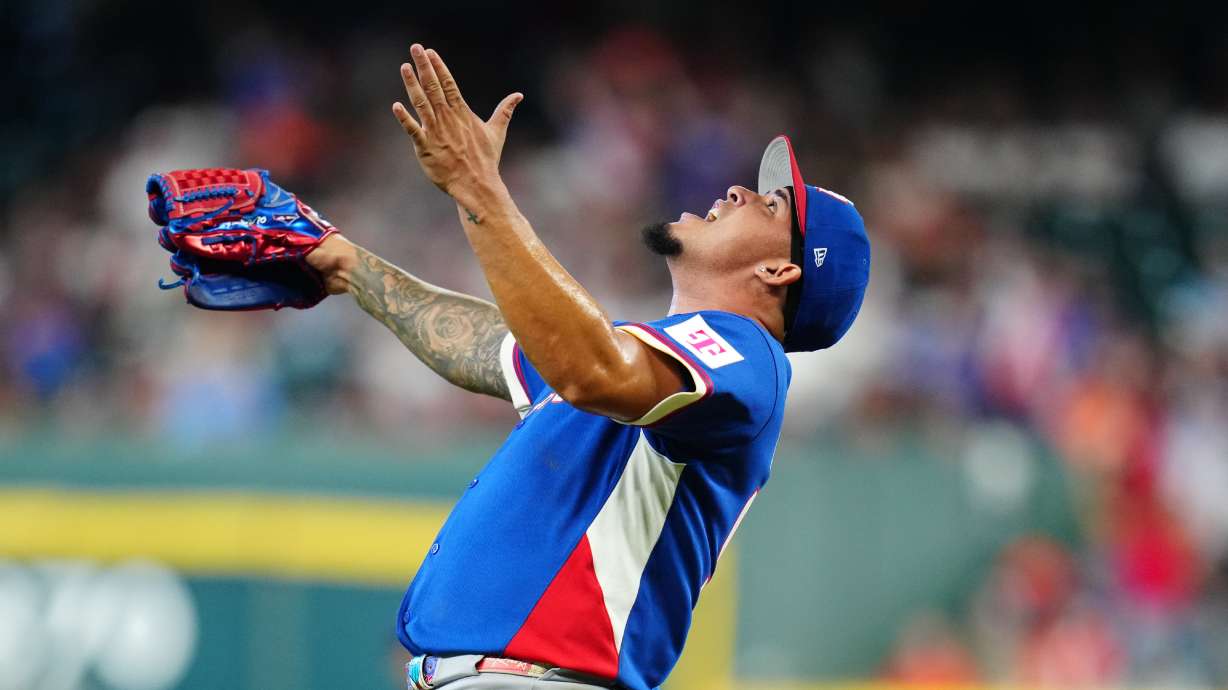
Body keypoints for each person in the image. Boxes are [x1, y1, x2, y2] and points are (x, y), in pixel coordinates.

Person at [304, 43, 871, 690]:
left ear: (779, 270)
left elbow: (588, 370)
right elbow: (487, 344)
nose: (740, 190)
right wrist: (346, 265)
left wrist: (478, 187)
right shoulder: (647, 358)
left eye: (770, 206)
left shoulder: (748, 354)